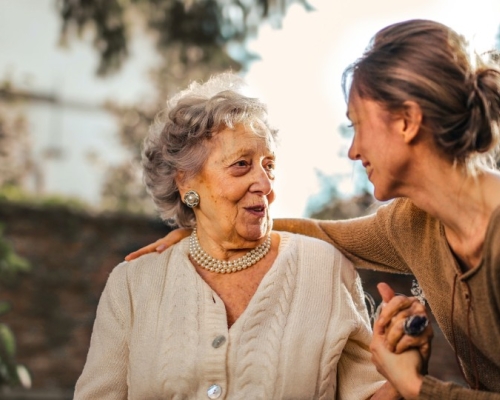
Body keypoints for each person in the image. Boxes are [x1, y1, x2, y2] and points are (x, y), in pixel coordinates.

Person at [126, 19, 500, 399]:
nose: (353, 150)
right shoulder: (412, 224)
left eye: (358, 125)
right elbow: (325, 234)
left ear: (406, 122)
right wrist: (210, 228)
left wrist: (415, 386)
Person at [74, 72, 402, 399]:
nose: (265, 184)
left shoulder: (326, 270)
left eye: (269, 165)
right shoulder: (132, 285)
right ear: (186, 182)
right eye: (242, 165)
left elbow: (366, 392)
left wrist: (405, 378)